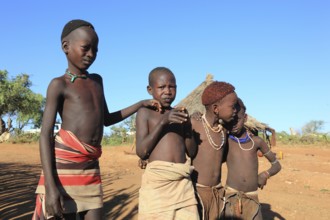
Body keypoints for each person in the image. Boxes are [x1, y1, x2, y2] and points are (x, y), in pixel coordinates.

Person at [32, 19, 161, 220]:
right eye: (86, 48)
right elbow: (45, 134)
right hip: (64, 167)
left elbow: (107, 119)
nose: (91, 54)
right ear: (66, 47)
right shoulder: (58, 85)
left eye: (95, 50)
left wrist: (139, 104)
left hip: (90, 166)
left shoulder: (97, 81)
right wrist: (50, 186)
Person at [136, 67, 200, 220]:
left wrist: (187, 126)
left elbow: (191, 152)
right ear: (150, 89)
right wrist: (163, 122)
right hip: (157, 184)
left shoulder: (180, 115)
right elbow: (142, 151)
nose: (168, 91)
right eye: (162, 87)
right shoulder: (145, 113)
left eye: (172, 87)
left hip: (182, 183)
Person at [223, 98, 282, 220]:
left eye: (237, 120)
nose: (233, 124)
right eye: (231, 120)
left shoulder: (257, 141)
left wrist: (265, 174)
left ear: (245, 118)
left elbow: (277, 165)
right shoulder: (226, 140)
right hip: (231, 196)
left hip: (252, 197)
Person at [190, 81, 238, 220]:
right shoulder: (194, 124)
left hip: (218, 192)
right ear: (216, 108)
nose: (235, 110)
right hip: (197, 192)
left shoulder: (224, 131)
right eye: (232, 106)